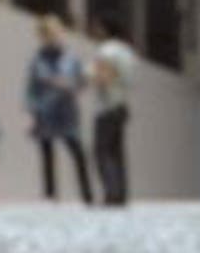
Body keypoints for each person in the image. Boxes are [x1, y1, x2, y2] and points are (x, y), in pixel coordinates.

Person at [25, 15, 93, 204]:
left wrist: (70, 85)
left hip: (67, 111)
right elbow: (31, 88)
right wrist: (31, 113)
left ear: (61, 33)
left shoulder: (72, 58)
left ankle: (87, 195)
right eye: (46, 34)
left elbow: (82, 82)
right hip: (45, 111)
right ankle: (50, 196)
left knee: (78, 152)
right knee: (47, 154)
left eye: (54, 33)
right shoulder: (37, 60)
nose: (51, 37)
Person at [90, 17, 137, 206]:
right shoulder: (127, 51)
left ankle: (112, 193)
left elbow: (104, 76)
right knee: (118, 151)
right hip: (123, 104)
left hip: (107, 105)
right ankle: (122, 194)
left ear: (104, 29)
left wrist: (90, 75)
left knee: (102, 151)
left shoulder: (106, 50)